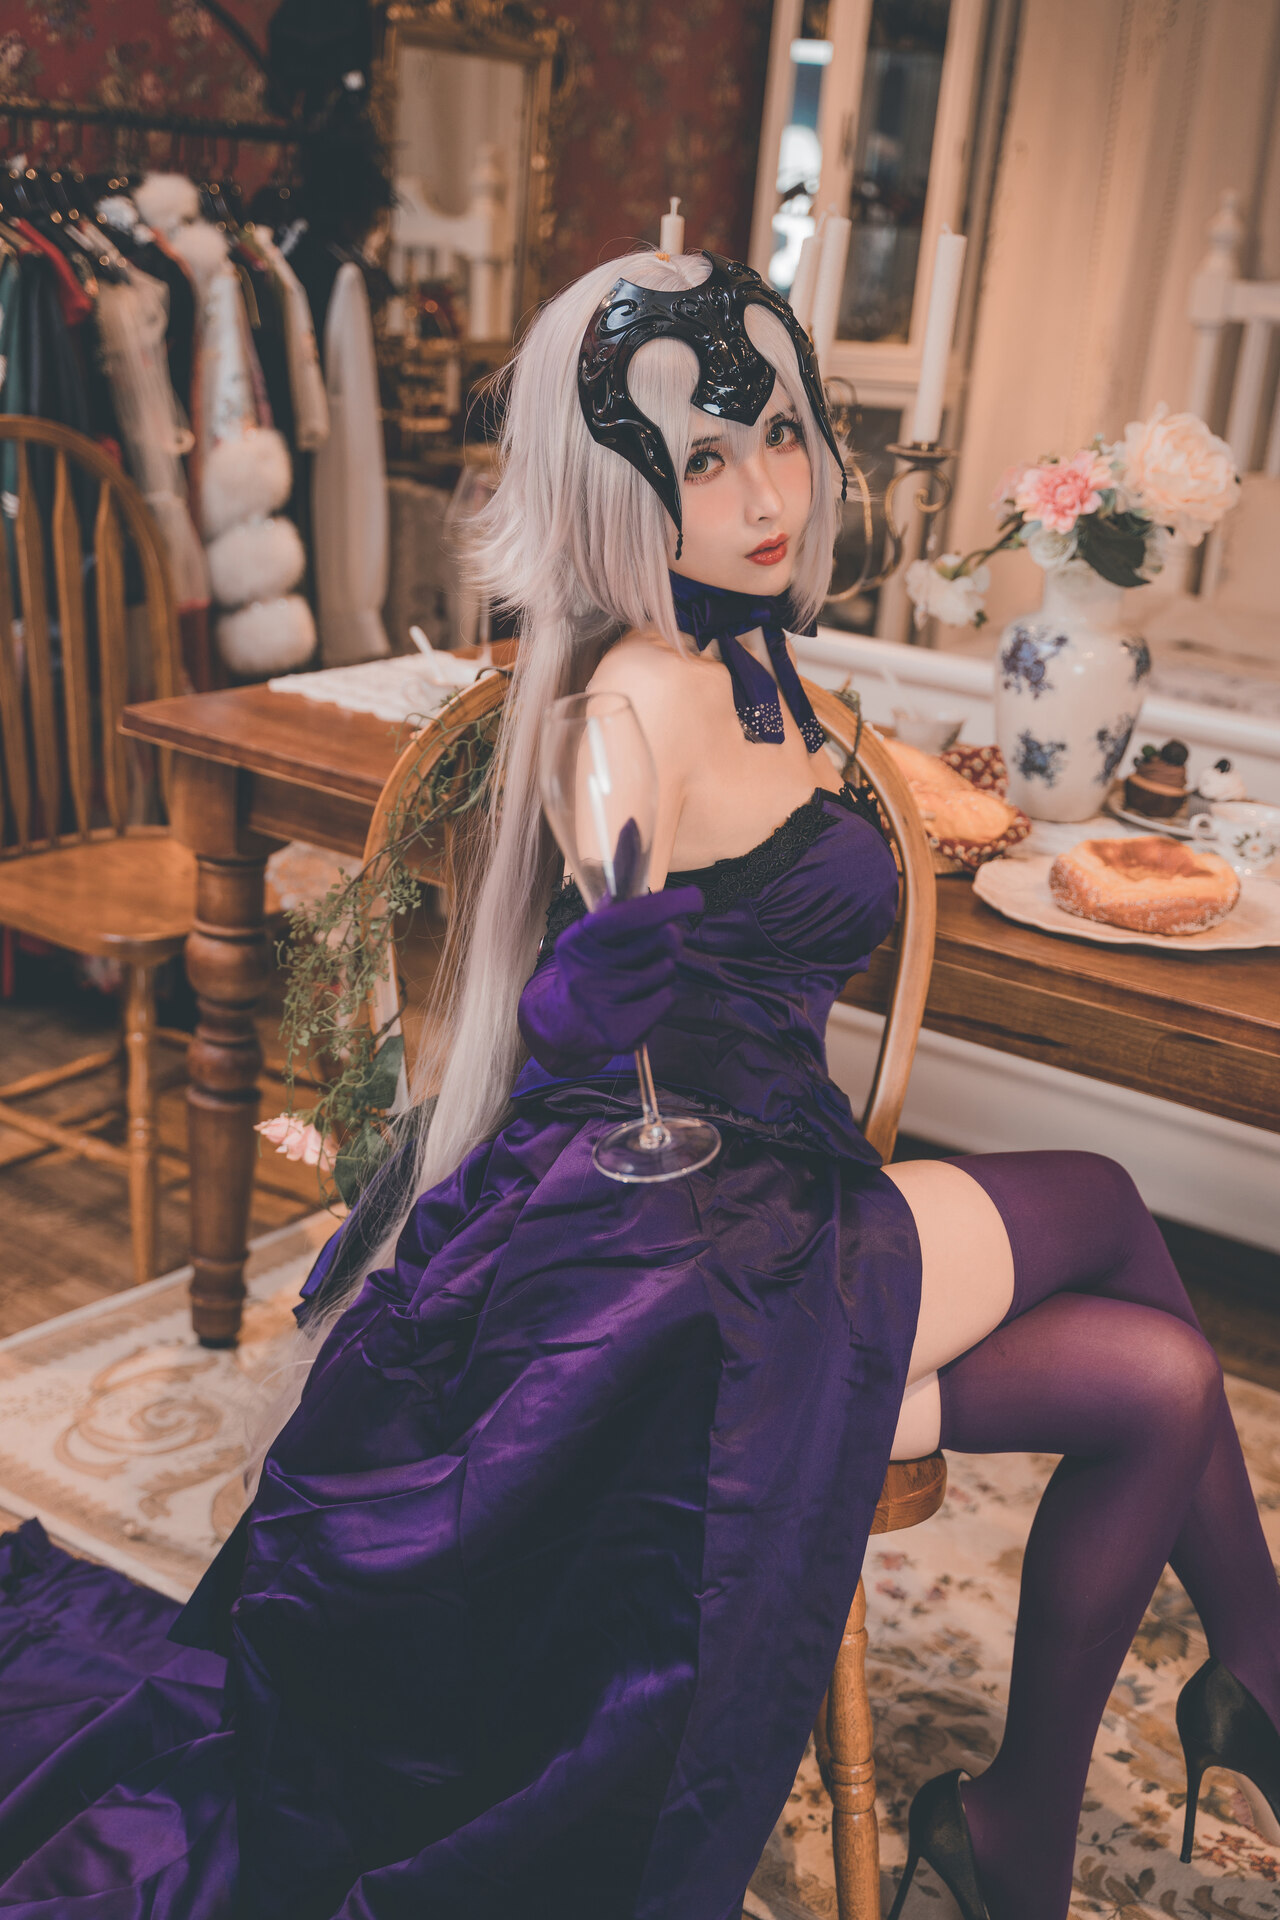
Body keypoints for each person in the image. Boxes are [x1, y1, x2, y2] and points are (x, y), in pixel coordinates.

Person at [1, 247, 1278, 1920]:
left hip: (773, 1201)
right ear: (616, 495)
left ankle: (1019, 1831)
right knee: (1103, 1202)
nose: (764, 494)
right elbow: (592, 969)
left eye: (781, 435)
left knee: (1166, 1381)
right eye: (701, 460)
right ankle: (1253, 1684)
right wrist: (583, 995)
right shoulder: (631, 704)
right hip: (682, 1259)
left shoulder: (758, 663)